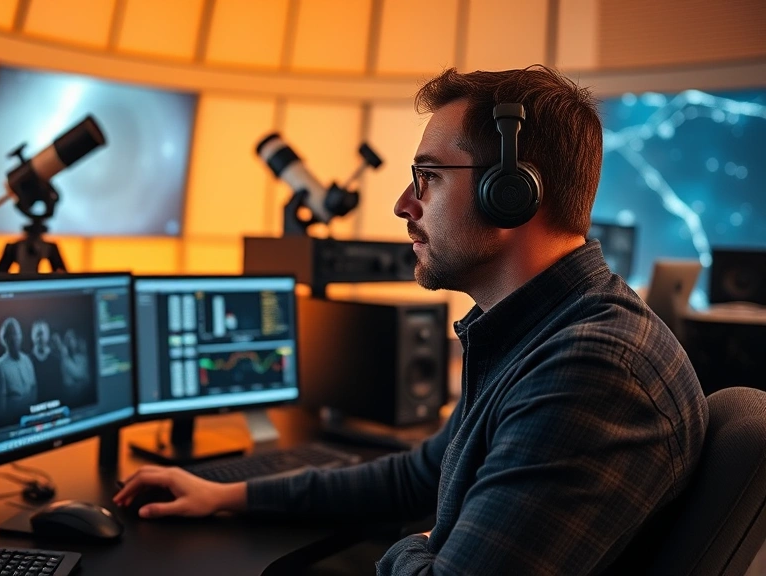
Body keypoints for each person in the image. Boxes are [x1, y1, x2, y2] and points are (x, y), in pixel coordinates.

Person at [114, 66, 709, 575]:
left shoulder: (590, 370)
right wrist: (229, 494)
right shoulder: (539, 332)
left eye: (427, 175)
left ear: (510, 192)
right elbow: (419, 475)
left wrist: (423, 546)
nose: (403, 203)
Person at [0, 317, 38, 425]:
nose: (14, 338)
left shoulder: (27, 360)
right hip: (12, 425)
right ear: (4, 339)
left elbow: (34, 389)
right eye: (10, 335)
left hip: (31, 421)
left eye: (16, 334)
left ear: (21, 336)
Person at [54, 328, 93, 407]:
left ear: (77, 340)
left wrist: (64, 355)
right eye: (66, 339)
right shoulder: (65, 357)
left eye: (70, 338)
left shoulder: (82, 357)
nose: (68, 342)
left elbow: (78, 373)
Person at [30, 320, 63, 404]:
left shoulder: (56, 360)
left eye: (42, 334)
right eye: (37, 334)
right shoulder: (28, 361)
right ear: (32, 336)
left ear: (47, 335)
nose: (40, 338)